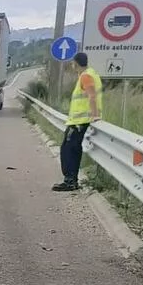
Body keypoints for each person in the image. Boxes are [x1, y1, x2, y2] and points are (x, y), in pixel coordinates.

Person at [53, 52, 102, 191]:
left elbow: (91, 95)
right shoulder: (90, 74)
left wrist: (95, 115)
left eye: (73, 63)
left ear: (76, 63)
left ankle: (70, 181)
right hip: (80, 121)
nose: (72, 65)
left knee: (68, 150)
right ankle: (71, 180)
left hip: (80, 121)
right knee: (72, 149)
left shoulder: (86, 76)